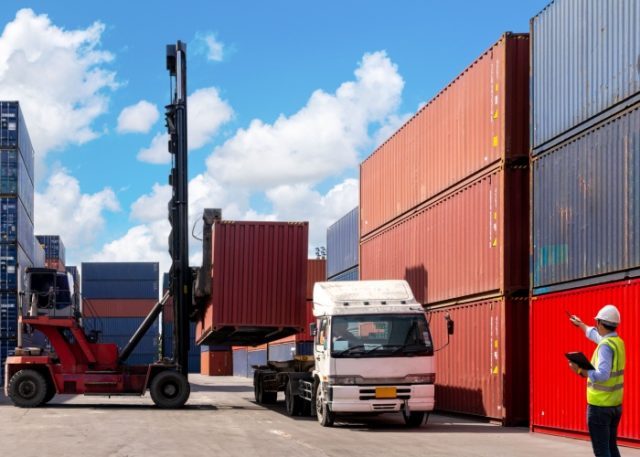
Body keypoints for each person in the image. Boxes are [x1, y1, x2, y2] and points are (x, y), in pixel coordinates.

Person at [569, 304, 625, 457]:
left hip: (600, 407)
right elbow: (596, 336)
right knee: (611, 447)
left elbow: (603, 375)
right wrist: (580, 324)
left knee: (602, 451)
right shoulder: (616, 342)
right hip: (614, 405)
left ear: (600, 323)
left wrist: (581, 371)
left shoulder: (605, 347)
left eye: (597, 322)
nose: (595, 325)